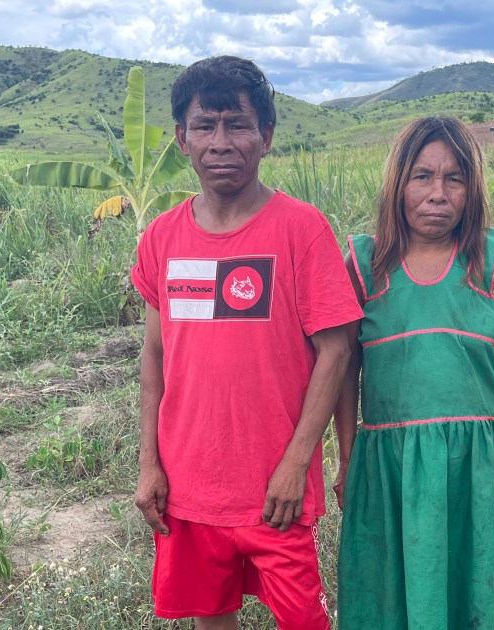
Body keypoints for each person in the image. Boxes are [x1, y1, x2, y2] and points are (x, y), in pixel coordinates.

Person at [130, 56, 362, 630]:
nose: (220, 142)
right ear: (182, 138)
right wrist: (149, 464)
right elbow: (155, 356)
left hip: (274, 489)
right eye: (204, 126)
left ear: (266, 136)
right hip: (188, 487)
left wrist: (296, 463)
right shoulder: (161, 237)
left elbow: (337, 351)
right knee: (211, 617)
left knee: (304, 621)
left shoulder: (302, 228)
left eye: (237, 125)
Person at [334, 116, 494, 629]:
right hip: (392, 460)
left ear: (471, 190)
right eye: (422, 176)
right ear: (398, 184)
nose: (437, 194)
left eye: (454, 179)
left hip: (473, 460)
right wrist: (347, 458)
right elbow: (344, 366)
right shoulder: (365, 264)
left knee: (471, 577)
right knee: (393, 585)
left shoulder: (486, 256)